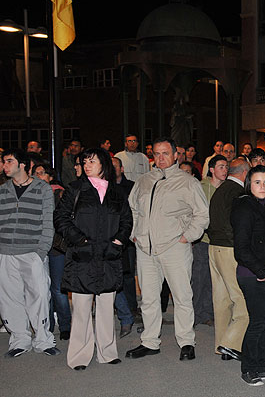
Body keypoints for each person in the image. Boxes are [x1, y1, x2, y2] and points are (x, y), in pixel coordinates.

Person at [126, 137, 209, 361]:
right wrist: (135, 233)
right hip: (145, 248)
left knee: (182, 296)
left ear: (175, 155)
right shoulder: (143, 180)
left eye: (165, 153)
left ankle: (186, 341)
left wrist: (187, 237)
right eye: (157, 153)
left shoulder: (187, 182)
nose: (161, 158)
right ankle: (150, 341)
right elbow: (132, 208)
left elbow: (201, 215)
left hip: (174, 246)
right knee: (149, 298)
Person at [54, 148, 132, 370]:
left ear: (104, 164)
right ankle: (79, 356)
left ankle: (107, 352)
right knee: (81, 309)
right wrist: (79, 241)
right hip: (83, 256)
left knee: (107, 308)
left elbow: (127, 220)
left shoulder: (116, 192)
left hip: (108, 256)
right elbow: (60, 218)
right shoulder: (75, 189)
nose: (86, 165)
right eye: (84, 161)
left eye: (92, 161)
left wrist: (118, 241)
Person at [0, 148, 60, 358]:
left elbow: (47, 222)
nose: (4, 165)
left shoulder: (42, 189)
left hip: (33, 252)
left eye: (9, 161)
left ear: (23, 164)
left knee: (40, 296)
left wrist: (41, 251)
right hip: (5, 253)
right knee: (10, 298)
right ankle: (20, 340)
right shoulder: (2, 190)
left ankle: (43, 340)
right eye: (4, 162)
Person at [231, 166, 265, 386]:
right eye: (257, 182)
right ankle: (249, 369)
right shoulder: (244, 207)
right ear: (248, 184)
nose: (262, 187)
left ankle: (262, 365)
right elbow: (241, 248)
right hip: (252, 274)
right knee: (258, 322)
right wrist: (261, 271)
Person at [207, 158, 251, 362]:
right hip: (229, 249)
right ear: (244, 172)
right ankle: (231, 343)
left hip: (214, 247)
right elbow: (232, 224)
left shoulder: (221, 190)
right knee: (241, 297)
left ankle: (222, 346)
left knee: (221, 299)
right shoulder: (237, 192)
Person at [35, 165, 71, 341]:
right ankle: (46, 325)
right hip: (38, 248)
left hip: (56, 247)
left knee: (57, 288)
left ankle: (65, 326)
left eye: (41, 173)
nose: (37, 176)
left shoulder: (60, 194)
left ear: (50, 176)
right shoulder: (32, 195)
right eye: (35, 173)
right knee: (43, 289)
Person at [193, 155, 228, 328]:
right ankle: (194, 313)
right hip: (203, 239)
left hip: (220, 241)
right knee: (199, 278)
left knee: (215, 279)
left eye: (226, 167)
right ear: (212, 169)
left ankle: (207, 313)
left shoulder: (227, 189)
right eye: (221, 166)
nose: (225, 170)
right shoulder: (201, 187)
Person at [112, 156, 138, 337]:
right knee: (115, 278)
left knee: (127, 276)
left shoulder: (131, 186)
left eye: (115, 166)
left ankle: (131, 309)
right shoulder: (104, 187)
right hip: (111, 238)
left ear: (122, 168)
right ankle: (125, 314)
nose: (112, 170)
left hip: (127, 238)